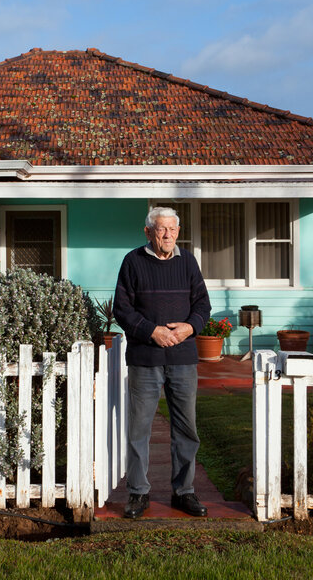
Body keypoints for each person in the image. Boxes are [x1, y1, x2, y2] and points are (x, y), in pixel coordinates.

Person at [112, 206, 210, 519]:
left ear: (178, 231)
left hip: (182, 357)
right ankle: (138, 493)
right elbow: (122, 309)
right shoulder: (133, 262)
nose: (167, 235)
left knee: (186, 428)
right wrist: (152, 331)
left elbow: (203, 305)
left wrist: (188, 327)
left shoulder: (188, 262)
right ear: (148, 232)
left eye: (172, 229)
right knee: (139, 429)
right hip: (145, 357)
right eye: (160, 229)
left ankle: (184, 492)